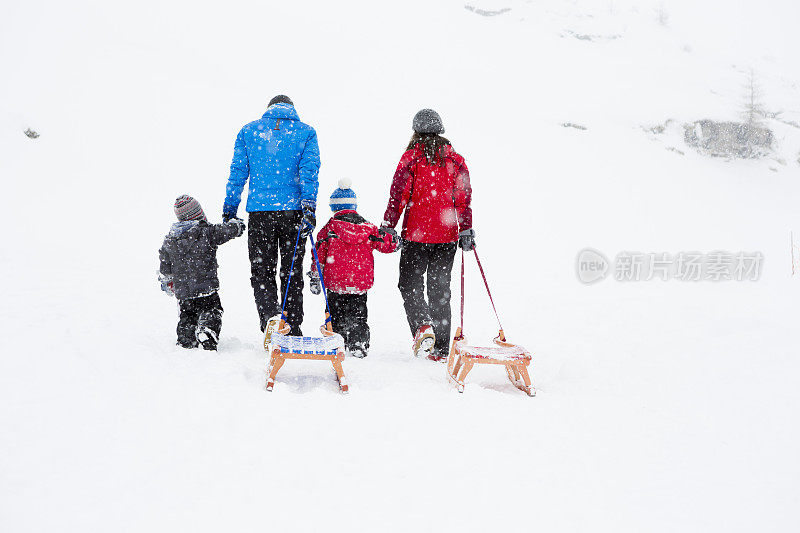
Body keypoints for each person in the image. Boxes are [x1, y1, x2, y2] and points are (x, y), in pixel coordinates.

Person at [381, 109, 474, 361]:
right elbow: (463, 199)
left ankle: (423, 328)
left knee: (409, 284)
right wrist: (465, 229)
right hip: (447, 237)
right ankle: (441, 348)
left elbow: (398, 195)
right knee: (440, 289)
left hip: (416, 236)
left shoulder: (410, 158)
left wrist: (389, 224)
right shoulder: (456, 160)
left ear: (416, 131)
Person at [223, 95, 320, 335]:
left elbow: (238, 172)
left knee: (262, 269)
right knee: (292, 270)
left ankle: (270, 317)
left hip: (260, 212)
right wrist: (309, 206)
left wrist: (230, 209)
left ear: (269, 109)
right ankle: (292, 324)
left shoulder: (249, 132)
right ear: (292, 109)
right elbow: (309, 171)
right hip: (293, 212)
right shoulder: (306, 132)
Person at [309, 179, 399, 358]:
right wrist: (394, 242)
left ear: (334, 208)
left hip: (335, 282)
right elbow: (384, 244)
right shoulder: (368, 229)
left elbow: (318, 256)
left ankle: (337, 341)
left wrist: (315, 276)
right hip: (359, 283)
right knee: (358, 315)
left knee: (335, 314)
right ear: (354, 206)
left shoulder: (328, 230)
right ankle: (358, 343)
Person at [159, 195, 245, 350]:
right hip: (206, 288)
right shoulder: (206, 232)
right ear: (197, 213)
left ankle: (186, 338)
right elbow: (225, 231)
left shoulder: (170, 240)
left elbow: (165, 266)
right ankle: (207, 330)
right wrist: (237, 226)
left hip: (184, 292)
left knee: (187, 316)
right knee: (212, 310)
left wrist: (167, 282)